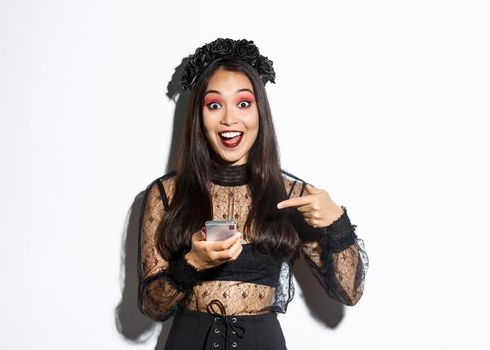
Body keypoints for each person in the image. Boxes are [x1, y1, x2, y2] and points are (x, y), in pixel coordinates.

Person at [137, 38, 368, 350]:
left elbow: (349, 293)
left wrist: (337, 223)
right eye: (215, 105)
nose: (230, 119)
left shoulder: (292, 195)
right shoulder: (165, 193)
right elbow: (152, 307)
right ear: (199, 116)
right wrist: (191, 264)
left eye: (243, 103)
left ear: (260, 112)